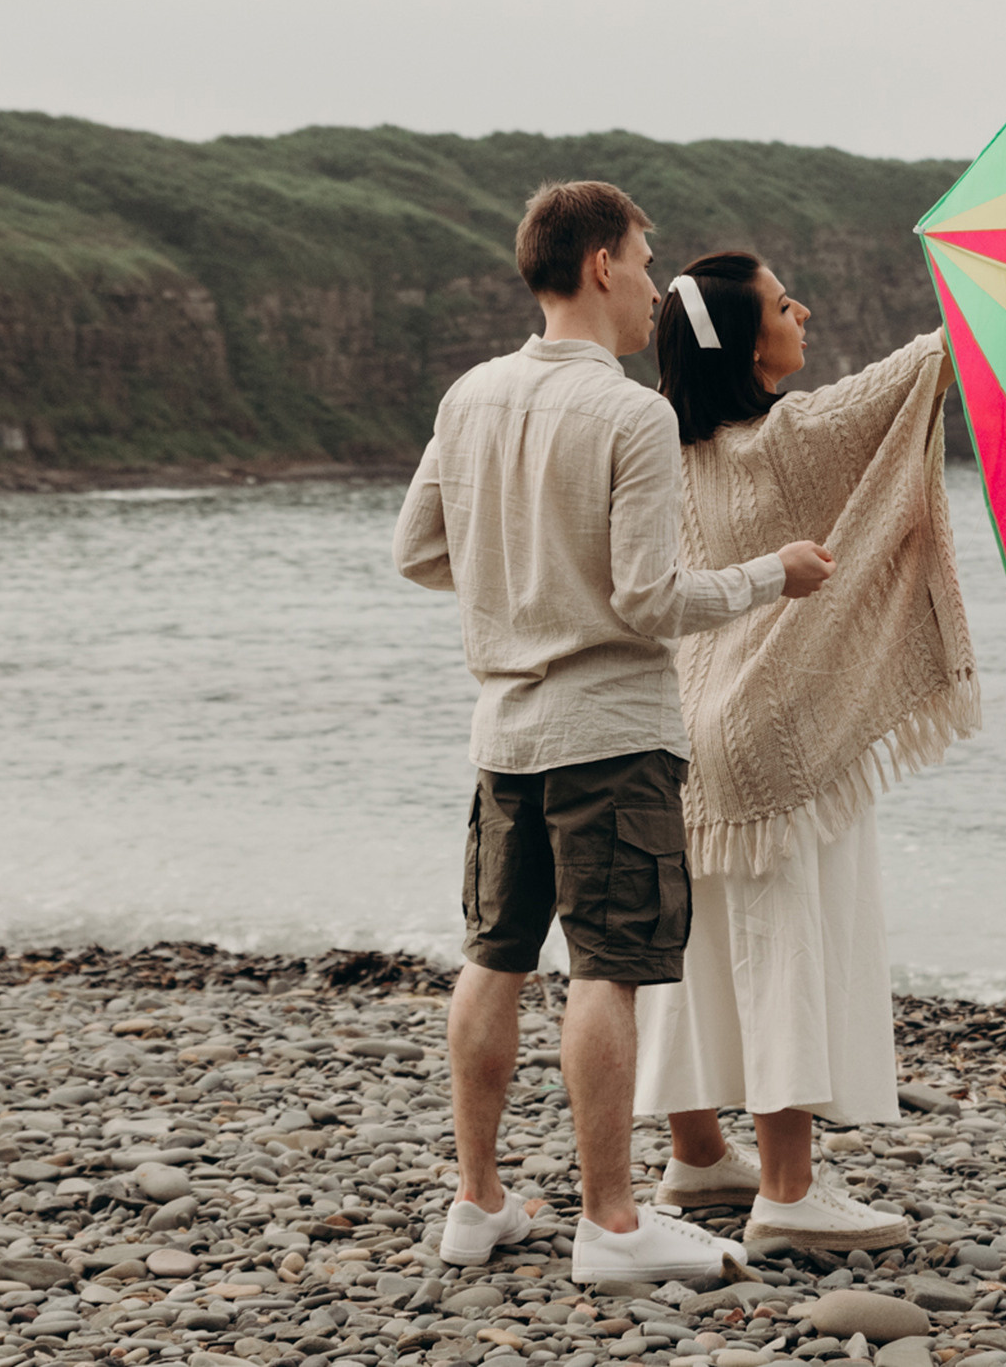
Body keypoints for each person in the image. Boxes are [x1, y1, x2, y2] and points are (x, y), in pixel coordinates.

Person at [394, 186, 837, 1282]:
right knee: (608, 967)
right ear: (598, 263)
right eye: (642, 261)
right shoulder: (631, 413)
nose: (652, 285)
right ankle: (612, 1221)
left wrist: (518, 584)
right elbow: (647, 600)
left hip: (501, 730)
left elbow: (416, 550)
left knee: (493, 956)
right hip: (610, 732)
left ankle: (477, 1201)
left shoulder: (469, 395)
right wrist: (769, 576)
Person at [633, 252, 980, 1255]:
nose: (806, 309)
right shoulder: (789, 436)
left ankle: (697, 1152)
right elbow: (932, 364)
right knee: (783, 950)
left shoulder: (664, 454)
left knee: (695, 953)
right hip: (771, 737)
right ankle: (787, 1188)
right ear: (751, 341)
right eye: (787, 303)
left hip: (687, 727)